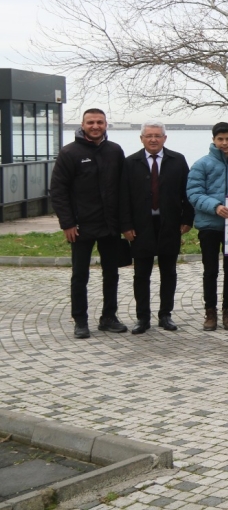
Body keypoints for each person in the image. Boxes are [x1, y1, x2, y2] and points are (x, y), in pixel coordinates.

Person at [50, 108, 127, 339]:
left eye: (99, 122)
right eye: (91, 122)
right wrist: (67, 223)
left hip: (110, 225)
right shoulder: (69, 152)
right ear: (82, 125)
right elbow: (58, 190)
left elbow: (124, 188)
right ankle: (80, 320)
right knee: (79, 275)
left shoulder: (114, 151)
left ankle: (109, 317)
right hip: (80, 226)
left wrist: (125, 222)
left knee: (111, 274)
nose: (95, 126)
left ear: (106, 125)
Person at [118, 123, 192, 334]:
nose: (153, 139)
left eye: (157, 136)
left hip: (170, 224)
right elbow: (123, 196)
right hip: (140, 226)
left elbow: (187, 192)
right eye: (149, 136)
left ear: (164, 138)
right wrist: (126, 225)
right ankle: (142, 318)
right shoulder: (130, 162)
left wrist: (187, 219)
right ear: (141, 138)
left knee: (168, 272)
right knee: (141, 274)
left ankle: (165, 315)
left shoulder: (177, 160)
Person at [187, 122, 228, 331]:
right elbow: (193, 193)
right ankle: (210, 312)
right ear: (213, 140)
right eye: (220, 139)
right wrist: (215, 206)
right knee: (210, 271)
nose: (224, 143)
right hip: (209, 224)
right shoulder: (202, 164)